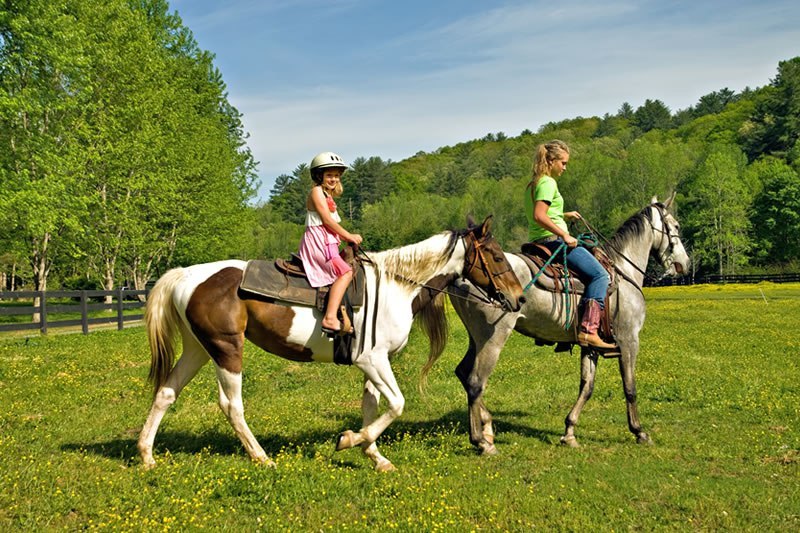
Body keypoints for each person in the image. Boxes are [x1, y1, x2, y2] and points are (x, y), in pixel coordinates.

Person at [525, 140, 617, 350]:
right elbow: (540, 216)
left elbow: (543, 214)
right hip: (554, 241)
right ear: (550, 161)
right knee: (600, 275)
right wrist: (564, 235)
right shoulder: (548, 183)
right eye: (563, 163)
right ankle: (589, 330)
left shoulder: (533, 184)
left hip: (537, 241)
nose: (565, 168)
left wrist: (564, 215)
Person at [299, 151, 363, 335]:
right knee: (345, 273)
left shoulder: (328, 195)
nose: (333, 179)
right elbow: (327, 221)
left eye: (336, 175)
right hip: (318, 243)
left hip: (329, 244)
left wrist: (346, 240)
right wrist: (349, 236)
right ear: (319, 176)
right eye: (329, 175)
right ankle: (330, 317)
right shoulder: (316, 192)